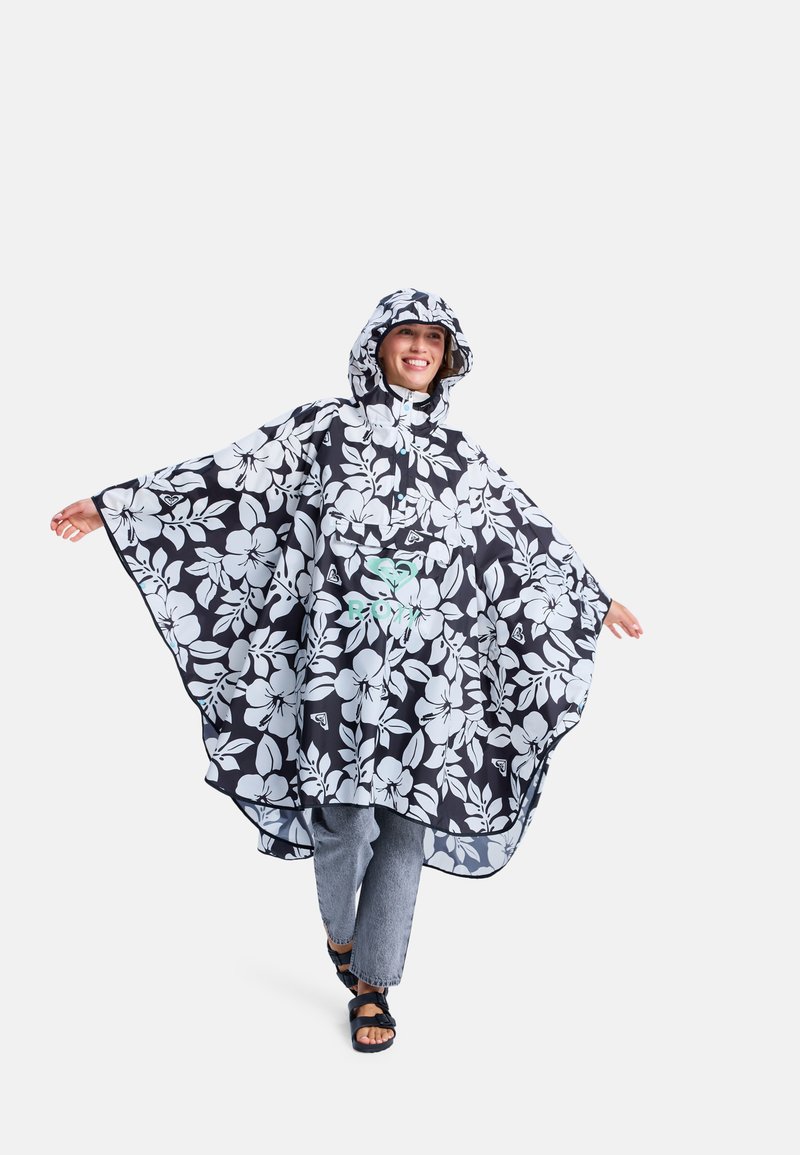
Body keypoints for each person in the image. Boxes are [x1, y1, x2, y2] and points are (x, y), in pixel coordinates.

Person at [51, 287, 643, 1053]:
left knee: (405, 824)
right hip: (336, 666)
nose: (420, 348)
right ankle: (343, 935)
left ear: (448, 357)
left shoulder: (462, 459)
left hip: (429, 679)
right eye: (407, 334)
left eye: (434, 338)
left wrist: (590, 596)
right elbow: (229, 474)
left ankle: (373, 984)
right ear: (378, 344)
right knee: (344, 817)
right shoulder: (322, 429)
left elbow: (524, 534)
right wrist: (115, 505)